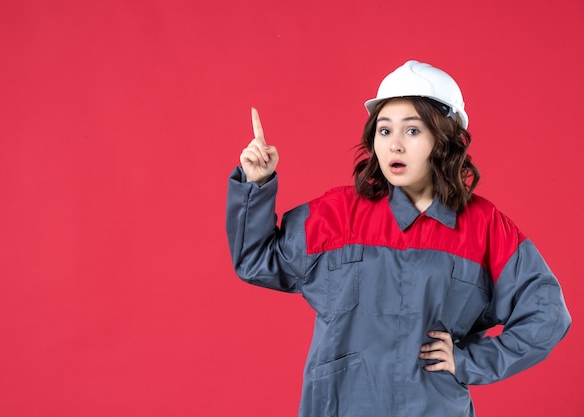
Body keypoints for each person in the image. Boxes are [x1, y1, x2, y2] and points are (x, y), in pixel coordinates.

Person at [225, 60, 571, 417]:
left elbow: (547, 315)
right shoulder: (338, 214)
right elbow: (256, 261)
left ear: (445, 140)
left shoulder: (484, 227)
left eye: (412, 131)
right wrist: (257, 184)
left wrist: (471, 361)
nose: (395, 146)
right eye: (385, 131)